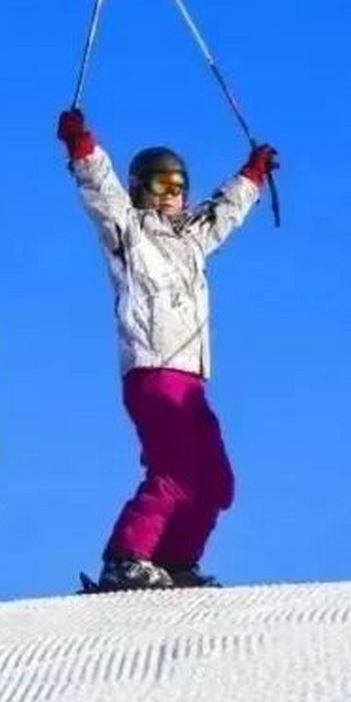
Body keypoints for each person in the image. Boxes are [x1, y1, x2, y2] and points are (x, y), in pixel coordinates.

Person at [56, 107, 277, 590]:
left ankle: (176, 560)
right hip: (152, 371)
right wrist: (82, 150)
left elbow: (225, 213)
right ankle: (126, 555)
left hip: (192, 378)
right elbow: (103, 194)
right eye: (159, 186)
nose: (171, 196)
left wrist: (253, 175)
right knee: (174, 470)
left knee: (217, 482)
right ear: (140, 188)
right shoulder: (129, 233)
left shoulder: (191, 239)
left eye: (178, 187)